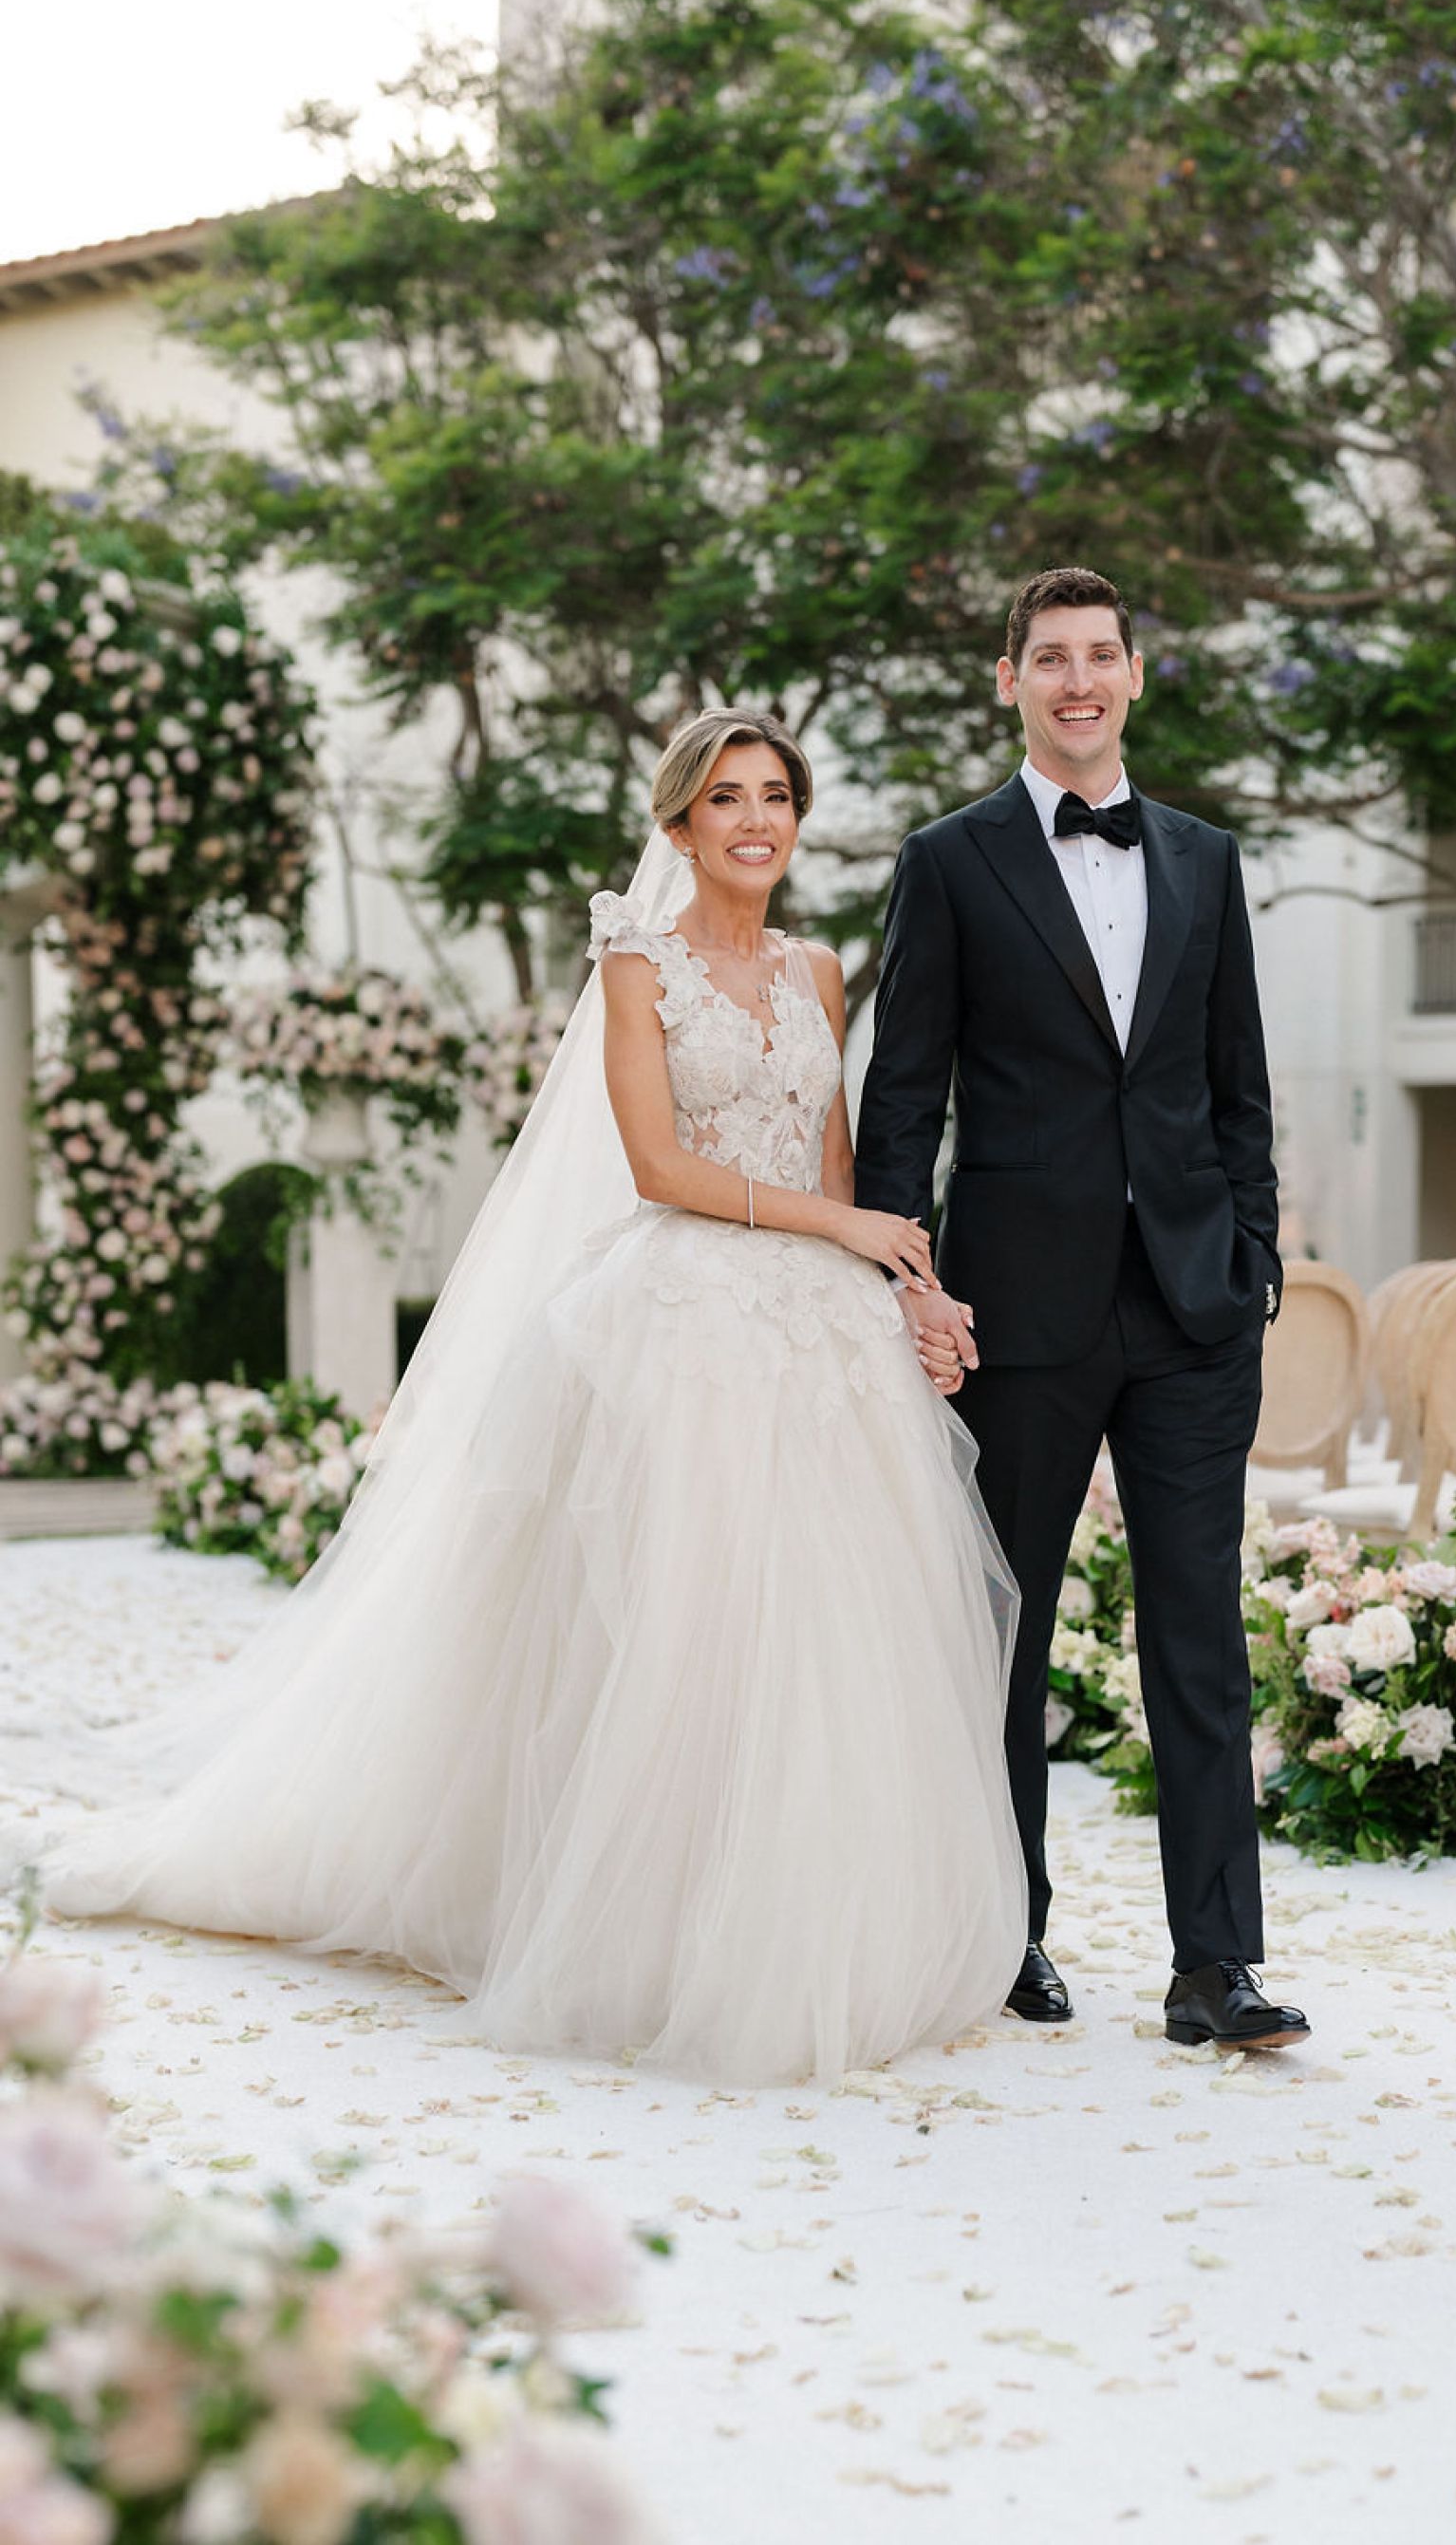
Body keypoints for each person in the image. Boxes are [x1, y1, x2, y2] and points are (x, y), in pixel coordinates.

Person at [43, 710, 1027, 2088]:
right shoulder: (638, 964)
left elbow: (836, 1158)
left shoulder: (816, 967)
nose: (756, 821)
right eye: (726, 799)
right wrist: (835, 1228)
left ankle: (812, 1917)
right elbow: (657, 1167)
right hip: (684, 1314)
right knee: (683, 1623)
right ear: (679, 825)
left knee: (823, 1628)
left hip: (817, 1323)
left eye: (778, 797)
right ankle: (653, 1926)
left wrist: (904, 1284)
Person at [854, 567, 1310, 2049]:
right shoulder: (950, 861)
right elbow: (903, 1095)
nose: (1076, 681)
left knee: (1198, 1636)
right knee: (1006, 1629)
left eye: (1100, 656)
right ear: (1010, 682)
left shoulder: (1204, 857)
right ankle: (1007, 1933)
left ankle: (1216, 1967)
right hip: (1013, 1313)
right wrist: (911, 1287)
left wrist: (1254, 1256)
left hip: (1191, 1310)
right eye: (1047, 659)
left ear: (1133, 675)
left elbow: (1236, 1082)